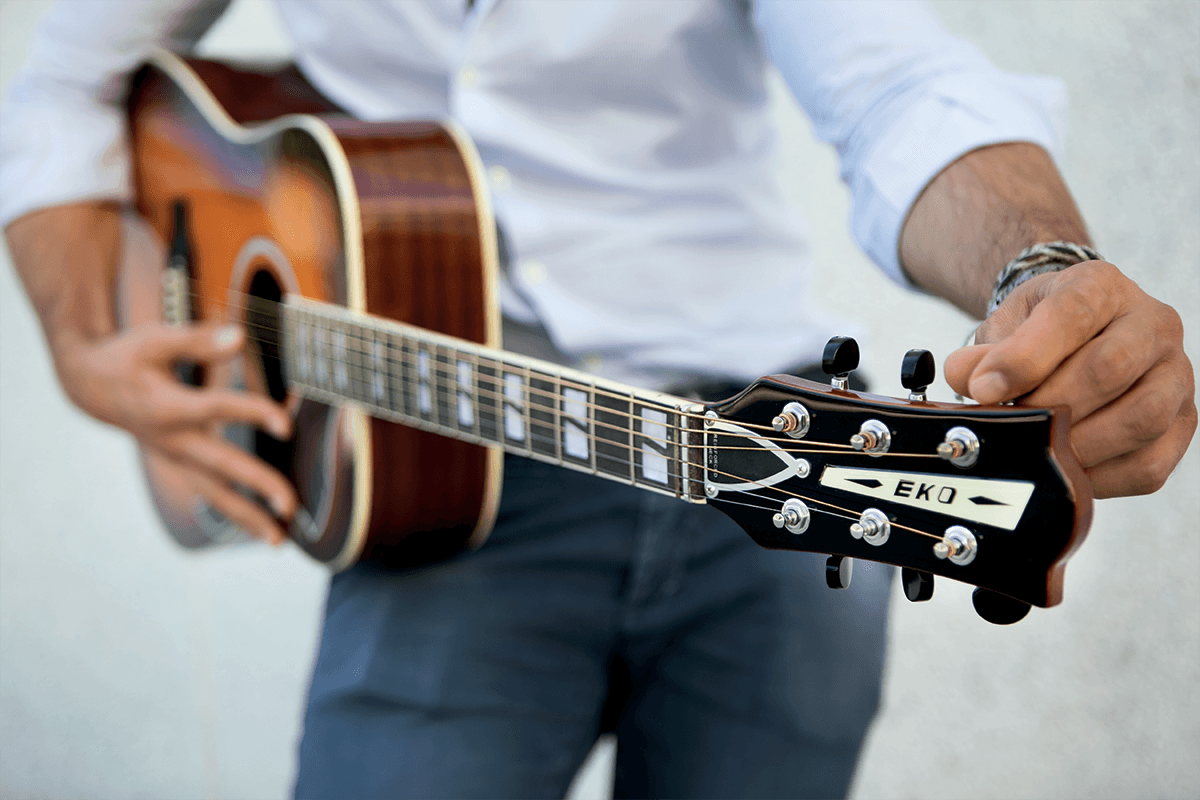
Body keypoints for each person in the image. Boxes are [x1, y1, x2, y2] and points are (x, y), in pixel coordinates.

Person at [2, 1, 1194, 798]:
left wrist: (1041, 267)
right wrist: (85, 340)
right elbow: (60, 82)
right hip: (436, 495)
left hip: (776, 479)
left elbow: (901, 88)